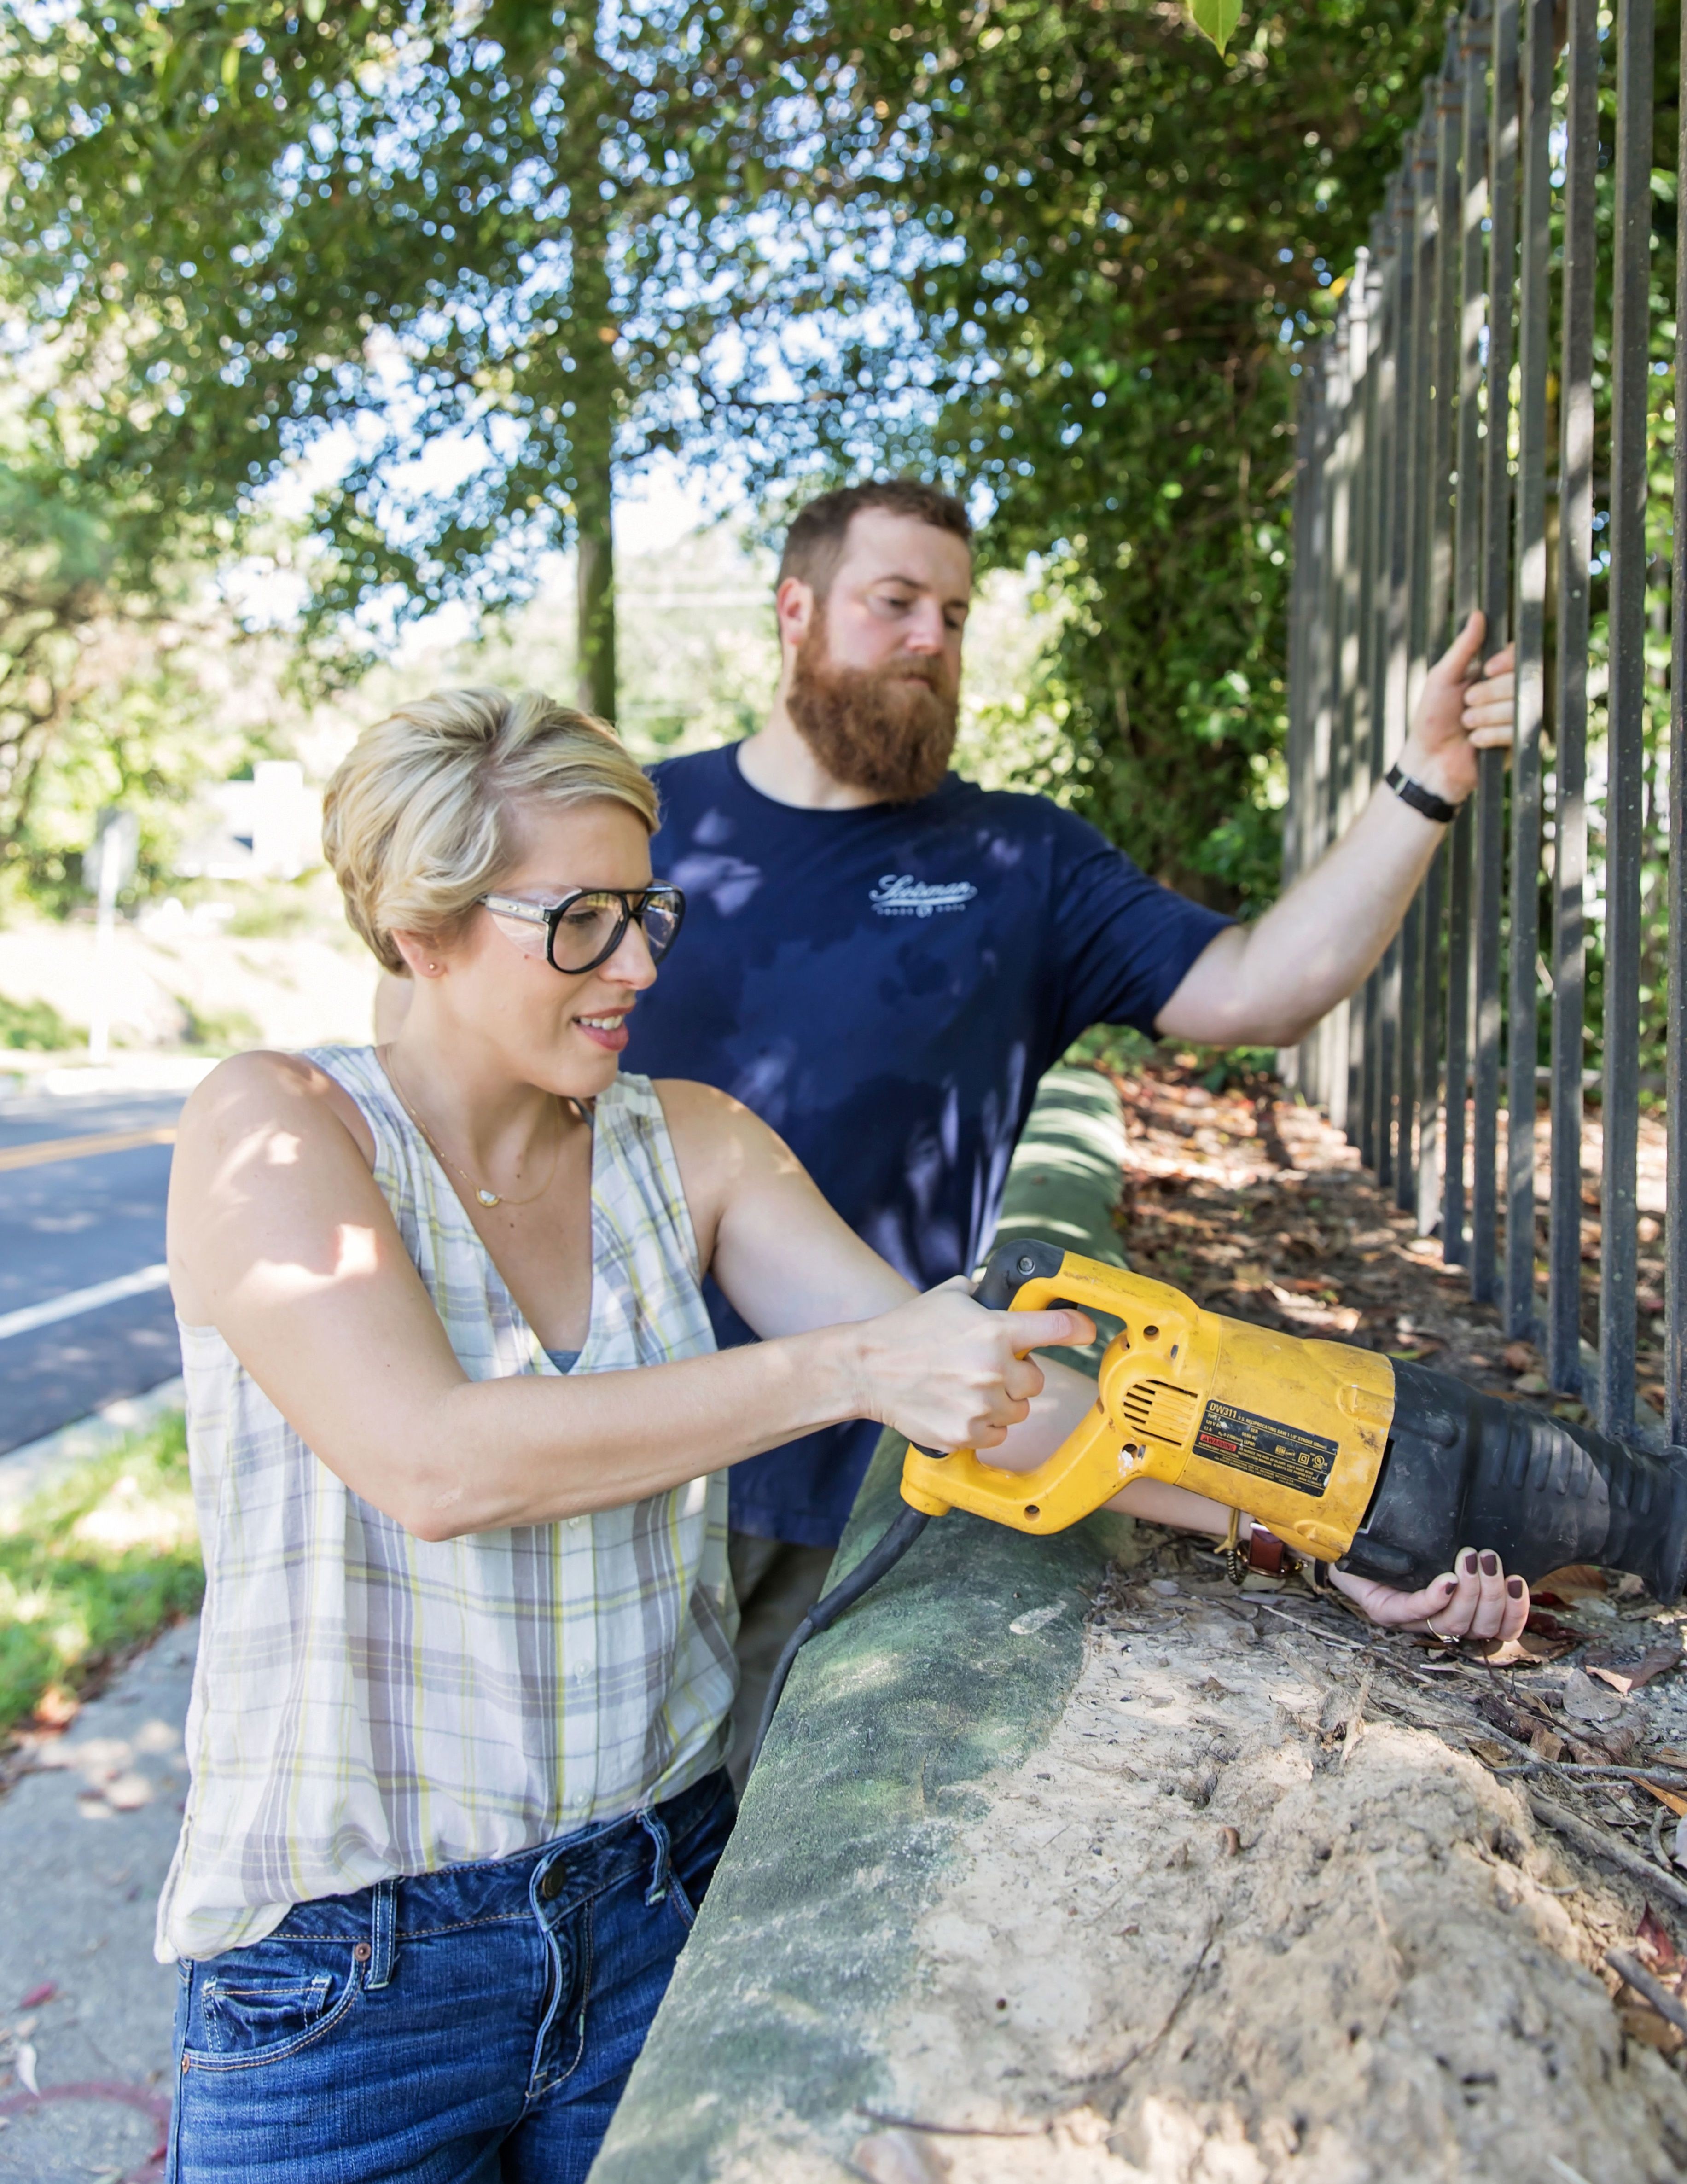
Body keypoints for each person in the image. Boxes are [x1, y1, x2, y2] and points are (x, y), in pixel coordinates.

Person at [159, 686, 1145, 2184]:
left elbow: (992, 1390)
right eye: (581, 924)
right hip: (348, 1993)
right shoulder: (278, 1133)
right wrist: (855, 1370)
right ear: (421, 931)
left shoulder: (691, 1143)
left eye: (647, 915)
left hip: (654, 1905)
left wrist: (1323, 1523)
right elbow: (437, 1463)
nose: (635, 967)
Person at [620, 478, 1528, 1754]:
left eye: (954, 612)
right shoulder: (642, 836)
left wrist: (1421, 789)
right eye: (895, 604)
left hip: (890, 1463)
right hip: (618, 1462)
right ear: (795, 609)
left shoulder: (1016, 859)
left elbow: (1259, 988)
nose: (932, 639)